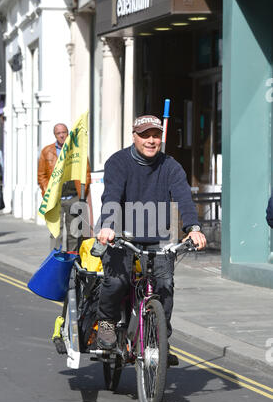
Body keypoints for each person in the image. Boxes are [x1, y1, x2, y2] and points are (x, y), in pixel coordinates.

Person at [96, 115, 206, 365]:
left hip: (157, 236)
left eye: (155, 135)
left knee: (165, 284)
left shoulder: (170, 166)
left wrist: (194, 228)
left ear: (161, 137)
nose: (151, 140)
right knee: (117, 280)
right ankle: (106, 323)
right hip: (122, 234)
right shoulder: (118, 162)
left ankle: (159, 339)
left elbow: (183, 198)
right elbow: (112, 196)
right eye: (145, 135)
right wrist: (108, 227)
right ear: (134, 136)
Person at [37, 123, 91, 252]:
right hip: (55, 198)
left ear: (68, 133)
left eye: (64, 132)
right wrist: (46, 192)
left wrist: (82, 194)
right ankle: (55, 260)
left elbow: (86, 173)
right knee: (56, 232)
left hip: (74, 196)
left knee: (74, 232)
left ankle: (72, 260)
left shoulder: (78, 150)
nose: (61, 135)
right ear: (55, 135)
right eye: (58, 133)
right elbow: (41, 175)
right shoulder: (47, 151)